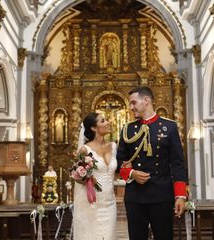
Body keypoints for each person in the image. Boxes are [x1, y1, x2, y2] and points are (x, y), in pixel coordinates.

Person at [117, 86, 187, 240]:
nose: (131, 107)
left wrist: (180, 195)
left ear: (146, 100)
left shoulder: (169, 127)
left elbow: (177, 164)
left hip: (161, 194)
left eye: (134, 103)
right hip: (135, 196)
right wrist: (132, 173)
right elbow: (120, 162)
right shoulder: (128, 129)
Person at [73, 112, 117, 240]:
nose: (108, 122)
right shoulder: (85, 150)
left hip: (109, 202)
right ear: (93, 128)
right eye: (103, 121)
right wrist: (85, 178)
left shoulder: (113, 147)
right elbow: (77, 175)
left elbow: (117, 170)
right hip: (91, 203)